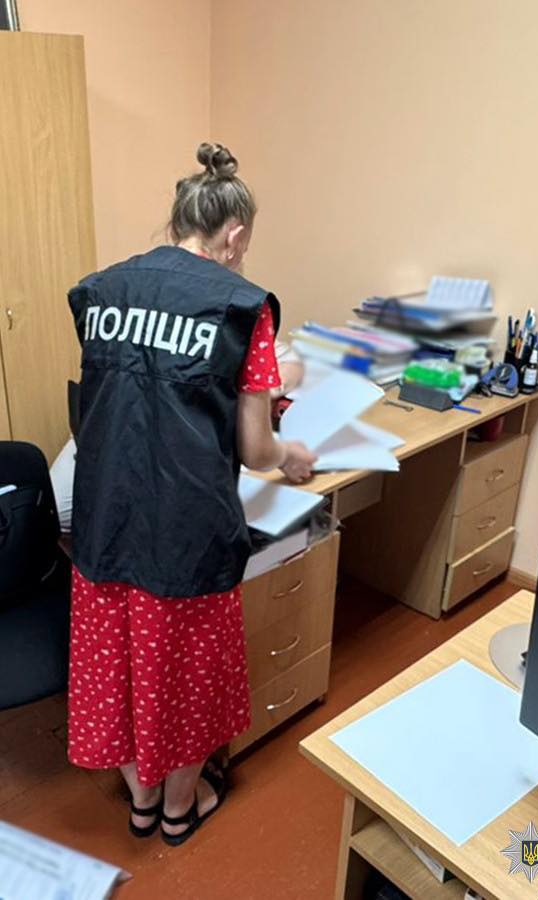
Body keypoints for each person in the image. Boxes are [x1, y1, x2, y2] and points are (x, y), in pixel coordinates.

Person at [66, 142, 317, 846]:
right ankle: (179, 811)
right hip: (187, 532)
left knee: (113, 671)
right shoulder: (243, 307)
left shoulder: (100, 290)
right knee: (186, 681)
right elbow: (256, 449)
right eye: (247, 245)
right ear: (233, 235)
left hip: (104, 521)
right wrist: (290, 455)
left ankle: (141, 802)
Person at [50, 342, 305, 533]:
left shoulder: (232, 323)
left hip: (180, 464)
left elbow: (290, 363)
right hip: (120, 436)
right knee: (59, 511)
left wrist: (266, 390)